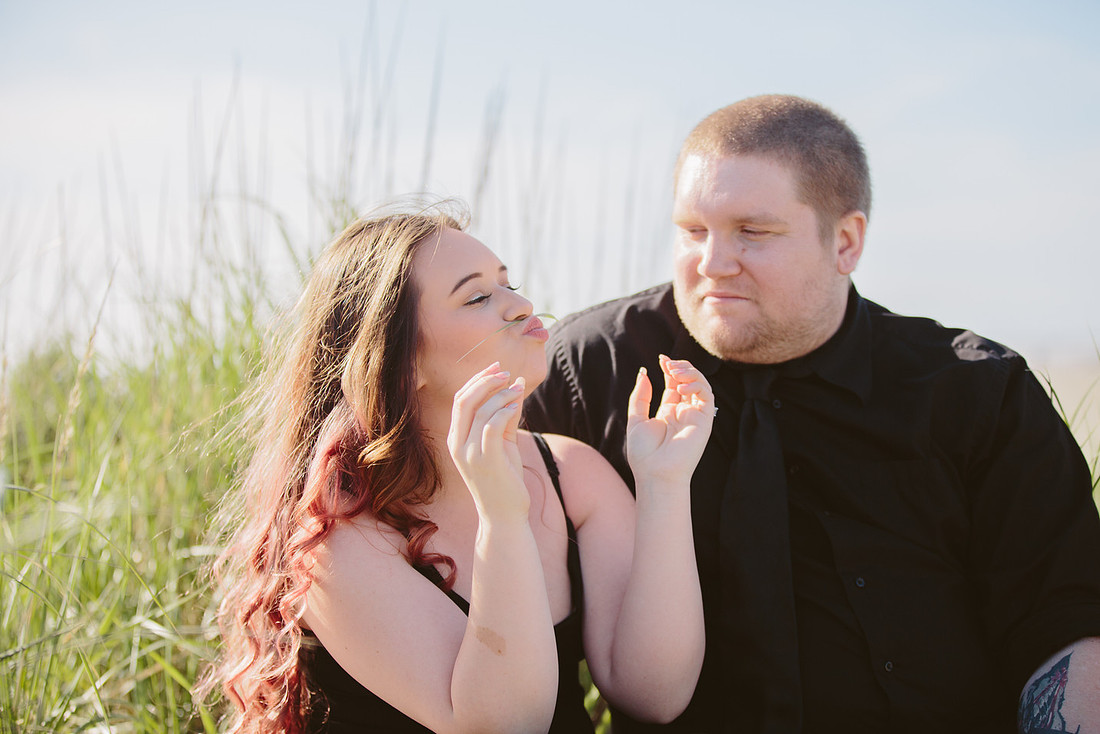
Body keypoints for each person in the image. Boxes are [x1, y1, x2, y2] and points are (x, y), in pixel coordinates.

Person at [524, 95, 1100, 733]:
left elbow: (1062, 622)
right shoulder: (587, 370)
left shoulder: (977, 393)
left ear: (846, 242)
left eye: (752, 232)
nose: (712, 263)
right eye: (692, 230)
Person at [199, 202, 714, 733]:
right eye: (477, 297)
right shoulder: (336, 537)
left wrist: (664, 484)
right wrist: (503, 516)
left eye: (509, 284)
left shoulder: (572, 474)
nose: (522, 305)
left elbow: (656, 693)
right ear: (402, 362)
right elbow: (505, 727)